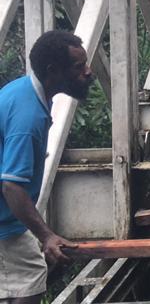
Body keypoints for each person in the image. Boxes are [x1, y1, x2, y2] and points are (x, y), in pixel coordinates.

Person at [1, 31, 92, 303]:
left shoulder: (23, 91)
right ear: (53, 70)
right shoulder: (28, 117)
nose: (88, 72)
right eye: (79, 67)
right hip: (4, 224)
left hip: (8, 220)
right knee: (31, 280)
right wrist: (47, 235)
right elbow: (12, 185)